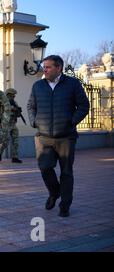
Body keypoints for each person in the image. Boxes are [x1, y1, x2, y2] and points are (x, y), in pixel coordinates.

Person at [27, 55, 89, 218]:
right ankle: (54, 193)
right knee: (45, 168)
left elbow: (83, 106)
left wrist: (71, 122)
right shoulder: (38, 85)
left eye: (47, 67)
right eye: (43, 67)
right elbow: (30, 106)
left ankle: (65, 205)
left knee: (66, 172)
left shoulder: (72, 84)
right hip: (43, 136)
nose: (44, 70)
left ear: (58, 68)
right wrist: (34, 122)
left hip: (66, 137)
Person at [0, 88, 24, 163]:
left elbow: (17, 112)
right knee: (5, 141)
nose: (14, 96)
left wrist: (18, 111)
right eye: (13, 95)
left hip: (13, 123)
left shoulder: (14, 102)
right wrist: (11, 109)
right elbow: (2, 111)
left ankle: (14, 157)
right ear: (8, 95)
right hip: (5, 124)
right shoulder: (3, 102)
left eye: (14, 95)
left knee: (16, 141)